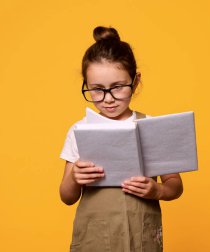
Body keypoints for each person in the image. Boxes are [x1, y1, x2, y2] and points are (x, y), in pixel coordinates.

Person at [59, 26, 183, 252]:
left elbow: (175, 184)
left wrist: (158, 191)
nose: (108, 99)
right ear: (86, 85)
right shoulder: (80, 130)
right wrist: (75, 177)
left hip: (140, 236)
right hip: (94, 239)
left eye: (117, 87)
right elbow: (66, 197)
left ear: (135, 82)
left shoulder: (152, 126)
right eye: (97, 90)